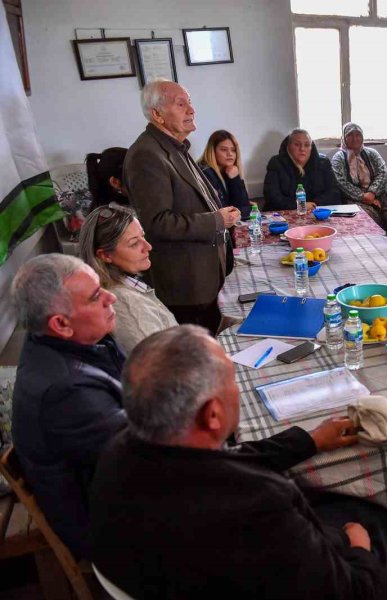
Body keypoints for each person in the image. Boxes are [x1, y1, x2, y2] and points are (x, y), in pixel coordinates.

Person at [89, 325, 387, 600]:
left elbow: (228, 462)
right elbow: (355, 593)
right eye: (231, 381)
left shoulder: (120, 451)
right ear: (213, 415)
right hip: (312, 580)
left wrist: (310, 440)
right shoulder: (258, 506)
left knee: (355, 504)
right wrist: (359, 546)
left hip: (178, 569)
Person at [10, 254, 126, 559]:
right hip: (111, 532)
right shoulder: (68, 391)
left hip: (116, 482)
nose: (111, 297)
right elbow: (146, 461)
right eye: (96, 296)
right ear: (60, 324)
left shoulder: (73, 341)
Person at [123, 79, 240, 335]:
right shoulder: (147, 155)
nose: (191, 109)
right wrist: (217, 220)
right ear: (157, 115)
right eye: (180, 104)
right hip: (184, 285)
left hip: (204, 279)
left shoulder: (175, 146)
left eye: (190, 102)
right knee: (197, 358)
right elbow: (157, 223)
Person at [77, 204, 178, 354]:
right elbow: (158, 367)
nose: (148, 246)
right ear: (105, 255)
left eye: (142, 236)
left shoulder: (126, 288)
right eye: (134, 243)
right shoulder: (125, 304)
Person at [331, 122, 387, 239]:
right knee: (369, 216)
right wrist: (363, 196)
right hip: (355, 198)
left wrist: (372, 193)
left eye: (358, 135)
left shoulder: (371, 153)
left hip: (380, 195)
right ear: (344, 138)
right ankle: (373, 243)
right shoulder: (339, 158)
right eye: (350, 135)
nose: (355, 138)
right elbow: (340, 182)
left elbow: (382, 173)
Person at [263, 128, 340, 212]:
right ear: (288, 146)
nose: (302, 149)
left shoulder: (323, 162)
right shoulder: (276, 163)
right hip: (285, 213)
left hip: (316, 211)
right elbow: (272, 196)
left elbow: (334, 192)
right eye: (297, 144)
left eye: (307, 145)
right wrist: (300, 205)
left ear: (311, 147)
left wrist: (314, 204)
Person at [199, 129, 252, 220]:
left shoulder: (229, 171)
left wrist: (234, 179)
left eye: (233, 150)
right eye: (224, 150)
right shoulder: (206, 173)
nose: (230, 154)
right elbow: (225, 214)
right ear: (212, 151)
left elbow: (245, 209)